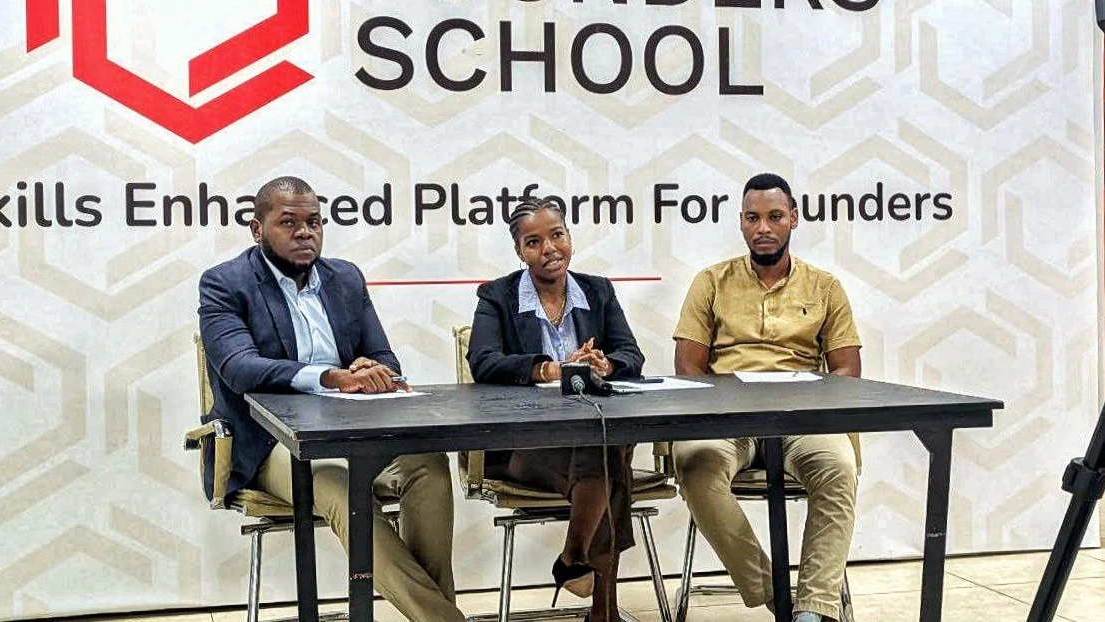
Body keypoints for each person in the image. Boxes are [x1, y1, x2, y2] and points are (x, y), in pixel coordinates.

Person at [197, 176, 464, 622]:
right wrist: (329, 376)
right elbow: (239, 368)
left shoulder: (344, 277)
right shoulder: (226, 284)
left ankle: (432, 615)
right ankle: (442, 619)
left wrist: (372, 371)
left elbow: (385, 358)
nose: (305, 232)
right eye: (289, 222)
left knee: (429, 464)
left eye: (314, 221)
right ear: (257, 229)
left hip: (353, 433)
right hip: (270, 445)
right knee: (336, 483)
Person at [671, 173, 862, 622]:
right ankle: (776, 595)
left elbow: (848, 370)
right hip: (728, 419)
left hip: (801, 420)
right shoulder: (711, 282)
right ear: (741, 222)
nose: (764, 228)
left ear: (793, 218)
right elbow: (688, 366)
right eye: (753, 218)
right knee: (694, 463)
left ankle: (814, 609)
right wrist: (719, 412)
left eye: (775, 217)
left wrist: (817, 407)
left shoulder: (825, 286)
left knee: (839, 466)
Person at [466, 197, 645, 622]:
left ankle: (576, 558)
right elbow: (483, 361)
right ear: (520, 252)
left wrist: (608, 364)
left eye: (557, 235)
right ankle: (599, 603)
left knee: (602, 451)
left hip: (589, 438)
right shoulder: (497, 296)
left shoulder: (598, 290)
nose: (549, 248)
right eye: (534, 241)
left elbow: (631, 354)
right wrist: (549, 369)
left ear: (569, 238)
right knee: (609, 459)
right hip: (524, 446)